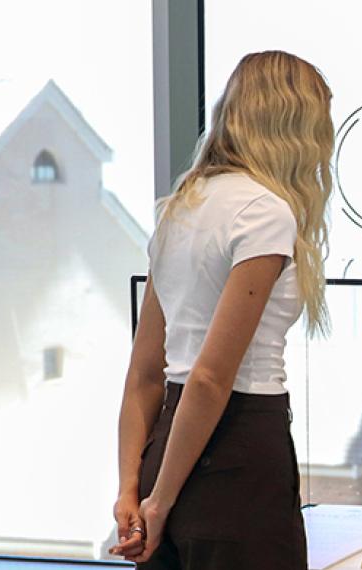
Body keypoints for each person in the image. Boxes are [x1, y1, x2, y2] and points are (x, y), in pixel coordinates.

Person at [108, 50, 334, 569]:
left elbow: (144, 374)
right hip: (238, 452)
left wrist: (132, 492)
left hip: (165, 447)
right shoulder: (265, 213)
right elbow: (212, 378)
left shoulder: (184, 206)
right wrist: (158, 505)